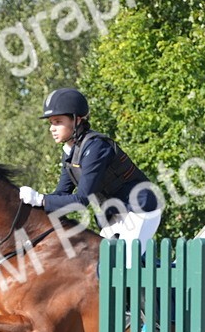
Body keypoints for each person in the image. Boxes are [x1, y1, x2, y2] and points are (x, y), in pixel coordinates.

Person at [18, 87, 162, 245]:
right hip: (115, 214)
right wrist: (31, 210)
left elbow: (82, 199)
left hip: (140, 207)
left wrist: (41, 200)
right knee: (101, 262)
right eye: (51, 122)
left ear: (77, 120)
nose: (52, 128)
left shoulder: (96, 147)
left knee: (124, 265)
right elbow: (61, 193)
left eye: (58, 122)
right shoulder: (70, 153)